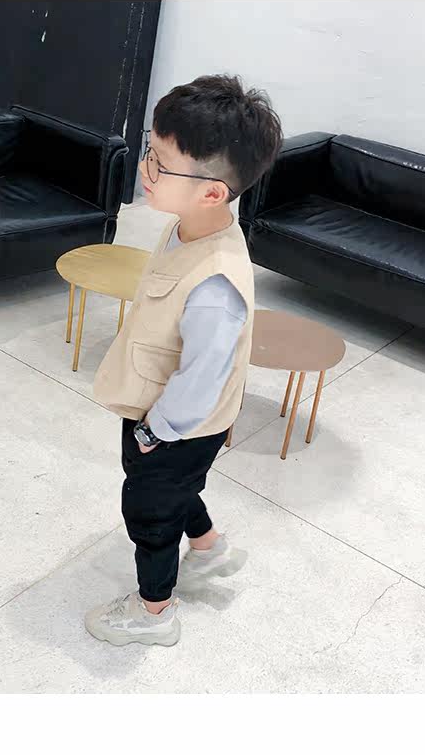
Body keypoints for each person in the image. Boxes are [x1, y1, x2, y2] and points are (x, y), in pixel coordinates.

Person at [86, 74, 283, 647]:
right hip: (163, 410)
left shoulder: (215, 285)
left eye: (160, 163)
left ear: (212, 193)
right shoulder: (188, 227)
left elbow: (201, 380)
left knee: (149, 512)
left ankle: (154, 614)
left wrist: (155, 431)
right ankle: (209, 548)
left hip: (174, 424)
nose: (145, 168)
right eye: (149, 150)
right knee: (176, 488)